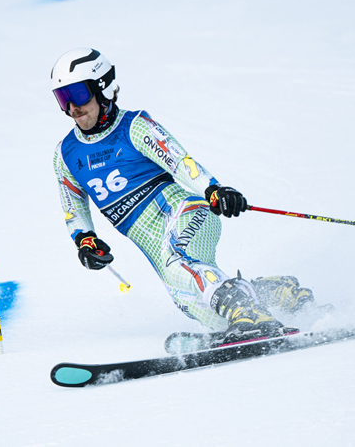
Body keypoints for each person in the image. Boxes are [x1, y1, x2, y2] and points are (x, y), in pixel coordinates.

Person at [51, 48, 317, 343]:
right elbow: (73, 207)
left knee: (179, 264)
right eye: (62, 98)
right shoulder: (66, 154)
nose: (72, 107)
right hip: (152, 241)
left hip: (183, 213)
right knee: (194, 304)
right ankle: (277, 293)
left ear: (101, 88)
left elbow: (179, 162)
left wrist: (212, 188)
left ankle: (250, 314)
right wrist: (85, 241)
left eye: (77, 93)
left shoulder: (133, 127)